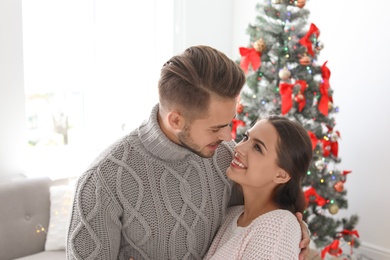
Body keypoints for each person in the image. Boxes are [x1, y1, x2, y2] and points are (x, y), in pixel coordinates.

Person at [66, 46, 310, 260]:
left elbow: (260, 219)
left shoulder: (224, 159)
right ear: (176, 120)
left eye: (230, 123)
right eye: (216, 128)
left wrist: (296, 230)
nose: (229, 138)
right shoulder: (102, 182)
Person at [204, 115, 313, 259]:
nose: (238, 147)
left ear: (281, 175)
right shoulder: (232, 215)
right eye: (245, 137)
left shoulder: (279, 228)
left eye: (257, 148)